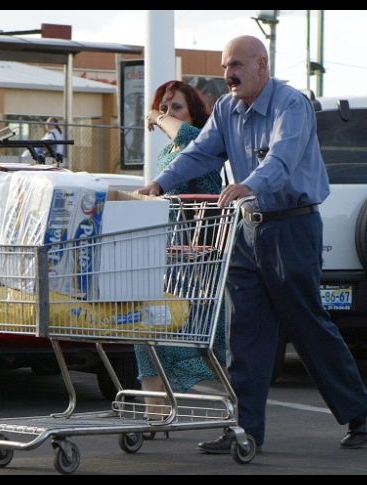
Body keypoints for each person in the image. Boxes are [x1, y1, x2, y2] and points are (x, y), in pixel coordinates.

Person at [138, 35, 367, 452]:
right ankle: (244, 431)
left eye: (235, 65)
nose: (228, 74)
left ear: (261, 65)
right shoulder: (227, 109)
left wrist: (248, 184)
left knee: (305, 324)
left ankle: (359, 410)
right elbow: (199, 152)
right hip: (247, 229)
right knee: (245, 332)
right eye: (224, 66)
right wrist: (159, 183)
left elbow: (281, 160)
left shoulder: (291, 104)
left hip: (292, 227)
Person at [135, 80, 225, 426]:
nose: (168, 114)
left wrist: (155, 116)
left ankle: (240, 409)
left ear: (192, 113)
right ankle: (153, 412)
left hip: (200, 262)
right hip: (173, 256)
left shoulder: (201, 143)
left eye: (176, 107)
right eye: (164, 107)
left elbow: (188, 136)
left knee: (186, 335)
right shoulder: (167, 153)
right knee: (145, 330)